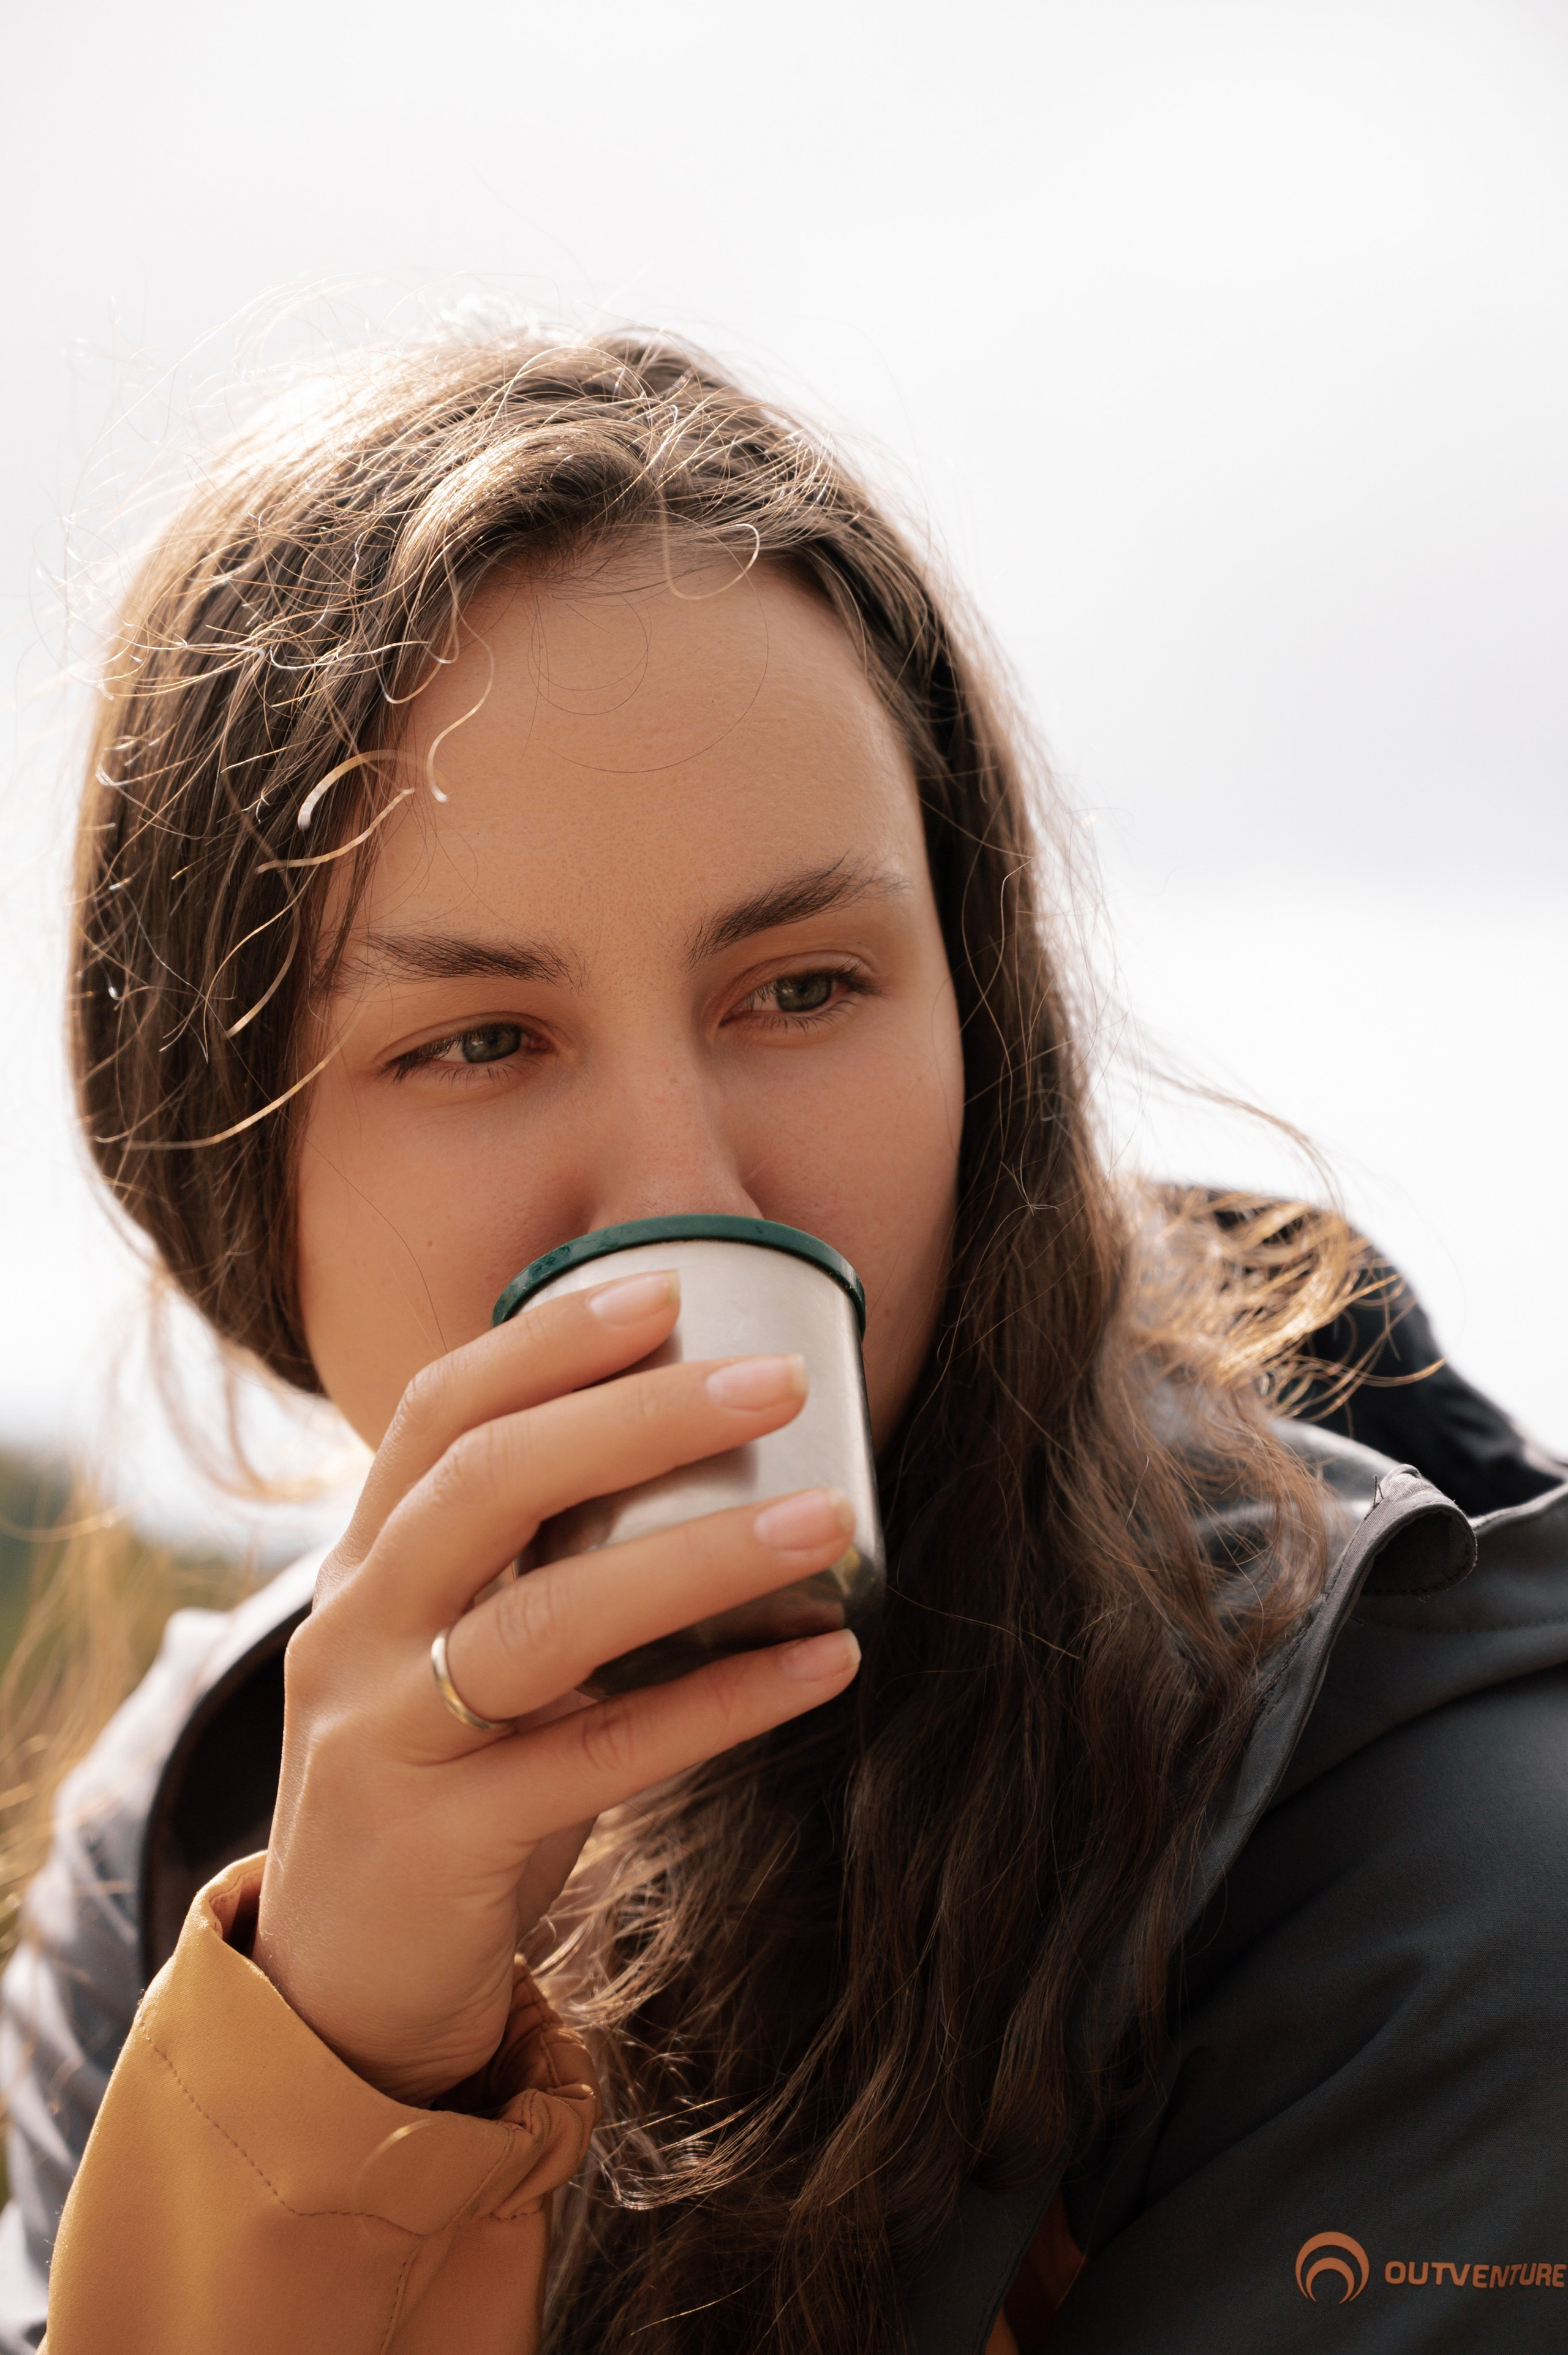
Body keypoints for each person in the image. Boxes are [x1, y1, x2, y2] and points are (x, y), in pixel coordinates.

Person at [2, 326, 1564, 2355]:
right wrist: (334, 2076)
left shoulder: (1417, 1847)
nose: (689, 1183)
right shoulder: (187, 1847)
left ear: (983, 1039)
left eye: (804, 986)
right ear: (227, 1172)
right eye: (480, 1038)